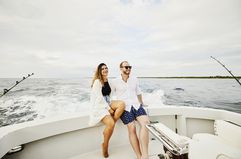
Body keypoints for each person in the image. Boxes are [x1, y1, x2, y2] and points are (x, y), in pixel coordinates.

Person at [112, 61, 150, 159]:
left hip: (136, 105)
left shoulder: (134, 79)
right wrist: (112, 108)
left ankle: (145, 156)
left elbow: (138, 92)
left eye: (130, 67)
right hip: (124, 108)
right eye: (126, 67)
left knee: (146, 123)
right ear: (121, 68)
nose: (128, 69)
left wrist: (142, 102)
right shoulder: (115, 81)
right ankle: (138, 156)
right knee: (131, 128)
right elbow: (109, 96)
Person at [89, 63, 125, 158]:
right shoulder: (97, 82)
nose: (105, 70)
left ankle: (110, 125)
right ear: (100, 71)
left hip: (107, 102)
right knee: (111, 124)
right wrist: (109, 109)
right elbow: (100, 98)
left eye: (106, 68)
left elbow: (112, 93)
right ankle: (105, 145)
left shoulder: (109, 81)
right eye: (102, 69)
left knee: (122, 104)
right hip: (100, 106)